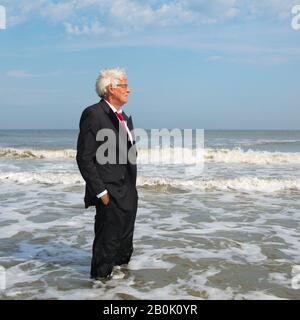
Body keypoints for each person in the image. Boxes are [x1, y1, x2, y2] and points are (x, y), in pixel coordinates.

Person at [76, 67, 138, 279]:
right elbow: (84, 157)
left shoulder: (125, 117)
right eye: (125, 85)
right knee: (106, 247)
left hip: (128, 191)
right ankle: (99, 291)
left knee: (124, 246)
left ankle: (121, 290)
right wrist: (101, 192)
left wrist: (132, 190)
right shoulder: (93, 114)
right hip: (109, 192)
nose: (129, 90)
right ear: (111, 88)